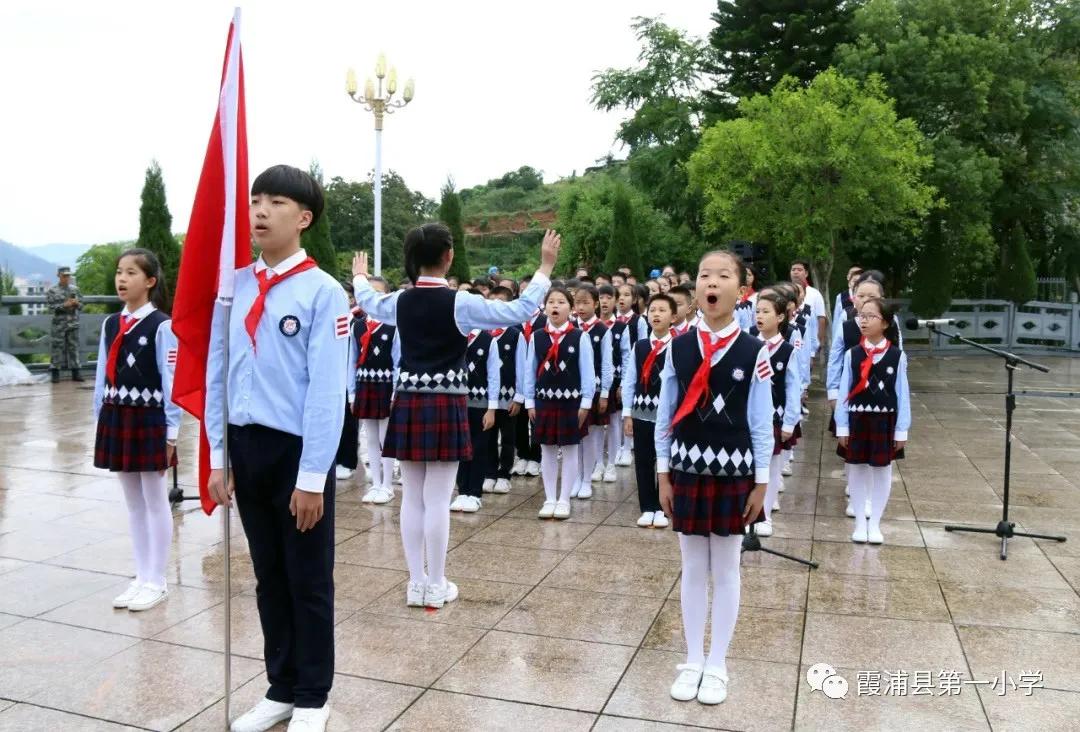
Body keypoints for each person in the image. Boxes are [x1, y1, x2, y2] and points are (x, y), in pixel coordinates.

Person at [206, 165, 348, 732]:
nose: (260, 211)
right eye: (255, 200)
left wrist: (312, 477)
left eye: (276, 202)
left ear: (304, 217)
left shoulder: (323, 292)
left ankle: (313, 695)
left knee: (307, 578)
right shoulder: (235, 286)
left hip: (296, 451)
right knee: (268, 575)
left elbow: (326, 391)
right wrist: (218, 455)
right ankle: (281, 687)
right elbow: (218, 372)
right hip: (246, 446)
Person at [351, 225, 557, 608]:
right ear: (448, 256)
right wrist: (544, 268)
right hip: (446, 403)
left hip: (408, 402)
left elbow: (366, 299)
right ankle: (436, 584)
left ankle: (416, 584)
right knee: (437, 498)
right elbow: (518, 311)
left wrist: (360, 276)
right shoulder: (460, 302)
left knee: (412, 497)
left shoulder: (399, 301)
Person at [656, 250, 773, 706]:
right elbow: (666, 413)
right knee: (691, 568)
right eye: (705, 274)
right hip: (686, 469)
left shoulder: (754, 350)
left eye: (723, 276)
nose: (712, 282)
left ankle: (718, 663)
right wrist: (663, 472)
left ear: (740, 291)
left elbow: (761, 420)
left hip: (733, 473)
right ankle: (692, 659)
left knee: (726, 569)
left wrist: (762, 482)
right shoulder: (678, 346)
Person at [93, 248, 179, 612]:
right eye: (119, 272)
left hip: (149, 418)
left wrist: (172, 431)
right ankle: (141, 576)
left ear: (150, 281)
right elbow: (102, 373)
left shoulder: (162, 326)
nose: (122, 279)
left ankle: (157, 580)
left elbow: (172, 380)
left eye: (131, 273)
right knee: (133, 503)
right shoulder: (111, 323)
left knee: (155, 500)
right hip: (117, 416)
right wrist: (99, 417)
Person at [835, 297, 910, 545]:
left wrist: (902, 430)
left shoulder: (897, 356)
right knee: (856, 469)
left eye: (870, 316)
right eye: (862, 316)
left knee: (882, 471)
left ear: (885, 323)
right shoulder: (852, 354)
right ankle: (859, 523)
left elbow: (902, 394)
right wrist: (842, 426)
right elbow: (844, 390)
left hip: (884, 420)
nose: (864, 321)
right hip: (857, 419)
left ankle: (875, 523)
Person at [523, 286, 594, 519]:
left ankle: (564, 499)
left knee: (570, 449)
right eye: (551, 302)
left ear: (571, 309)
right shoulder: (537, 336)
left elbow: (587, 371)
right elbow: (529, 370)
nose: (555, 306)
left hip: (571, 402)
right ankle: (549, 498)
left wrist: (586, 402)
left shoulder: (579, 336)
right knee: (547, 450)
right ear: (545, 307)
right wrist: (529, 401)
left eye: (561, 302)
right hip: (544, 401)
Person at [622, 293, 675, 528]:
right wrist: (628, 413)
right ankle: (647, 506)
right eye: (652, 310)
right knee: (643, 460)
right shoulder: (640, 346)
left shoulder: (678, 346)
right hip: (642, 412)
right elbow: (630, 380)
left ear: (673, 316)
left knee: (665, 459)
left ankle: (663, 507)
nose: (656, 314)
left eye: (662, 310)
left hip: (668, 415)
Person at [752, 289, 800, 535]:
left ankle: (765, 516)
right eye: (757, 311)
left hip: (774, 418)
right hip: (748, 418)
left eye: (766, 312)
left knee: (770, 469)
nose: (759, 316)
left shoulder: (788, 351)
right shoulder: (748, 345)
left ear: (780, 317)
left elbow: (793, 387)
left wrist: (789, 422)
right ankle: (748, 514)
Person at [348, 276, 399, 504]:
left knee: (385, 437)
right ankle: (376, 483)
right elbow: (351, 360)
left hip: (386, 385)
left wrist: (396, 391)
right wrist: (351, 392)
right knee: (370, 437)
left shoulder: (394, 326)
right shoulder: (357, 325)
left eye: (379, 293)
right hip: (365, 384)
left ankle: (388, 484)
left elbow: (398, 360)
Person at [450, 324, 500, 512]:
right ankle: (462, 491)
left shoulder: (488, 340)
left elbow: (494, 376)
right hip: (456, 402)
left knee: (478, 448)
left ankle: (475, 493)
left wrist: (491, 408)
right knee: (459, 448)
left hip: (480, 403)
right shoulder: (454, 336)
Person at [485, 286, 525, 493]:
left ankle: (504, 473)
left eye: (501, 303)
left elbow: (521, 366)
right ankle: (490, 472)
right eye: (492, 302)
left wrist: (519, 396)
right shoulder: (483, 333)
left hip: (508, 396)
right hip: (487, 397)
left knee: (508, 437)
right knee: (488, 436)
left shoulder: (515, 335)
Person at [573, 285, 612, 495]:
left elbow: (606, 363)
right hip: (573, 390)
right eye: (577, 303)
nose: (581, 307)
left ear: (595, 304)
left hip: (594, 391)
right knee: (574, 438)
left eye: (586, 302)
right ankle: (576, 477)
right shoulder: (571, 327)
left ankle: (587, 479)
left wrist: (605, 392)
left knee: (591, 436)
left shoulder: (602, 330)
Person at [335, 283, 363, 483]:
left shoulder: (357, 323)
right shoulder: (330, 320)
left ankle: (347, 461)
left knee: (348, 422)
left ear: (352, 299)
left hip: (349, 377)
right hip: (330, 376)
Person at [47, 265, 85, 383]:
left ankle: (76, 372)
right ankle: (55, 372)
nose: (66, 278)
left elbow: (82, 305)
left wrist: (76, 303)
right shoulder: (52, 290)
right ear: (59, 275)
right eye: (64, 276)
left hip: (73, 323)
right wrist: (64, 305)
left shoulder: (75, 289)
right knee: (57, 348)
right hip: (58, 324)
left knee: (74, 347)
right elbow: (51, 308)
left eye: (68, 276)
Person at [789, 260, 827, 359]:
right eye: (793, 269)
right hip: (789, 341)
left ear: (806, 273)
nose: (796, 272)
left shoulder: (815, 294)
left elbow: (821, 319)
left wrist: (819, 341)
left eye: (799, 270)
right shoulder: (785, 292)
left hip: (809, 343)